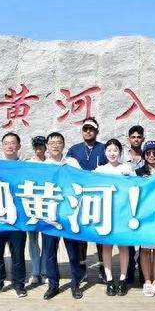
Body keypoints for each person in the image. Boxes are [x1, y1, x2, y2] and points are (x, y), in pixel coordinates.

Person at [40, 132, 84, 300]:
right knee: (50, 252)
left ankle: (76, 284)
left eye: (59, 142)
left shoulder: (72, 163)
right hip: (50, 215)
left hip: (68, 214)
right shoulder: (42, 166)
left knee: (73, 252)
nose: (55, 145)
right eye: (52, 142)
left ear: (64, 145)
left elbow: (84, 180)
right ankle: (53, 285)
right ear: (47, 146)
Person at [0, 132, 28, 298]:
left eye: (13, 143)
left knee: (18, 255)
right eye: (6, 143)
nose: (10, 146)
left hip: (18, 219)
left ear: (18, 146)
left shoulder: (25, 167)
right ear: (2, 146)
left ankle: (19, 285)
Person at [66, 117, 108, 282]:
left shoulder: (104, 148)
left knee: (100, 236)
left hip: (100, 198)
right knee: (81, 236)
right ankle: (82, 269)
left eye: (91, 129)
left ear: (97, 131)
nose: (88, 131)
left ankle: (103, 269)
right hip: (80, 199)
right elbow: (66, 172)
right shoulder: (74, 150)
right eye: (85, 129)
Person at [95, 139, 135, 296]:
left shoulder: (127, 168)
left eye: (115, 150)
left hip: (123, 212)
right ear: (105, 152)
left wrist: (129, 177)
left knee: (123, 246)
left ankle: (123, 279)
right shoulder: (100, 170)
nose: (112, 153)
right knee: (107, 247)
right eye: (109, 150)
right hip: (106, 212)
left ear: (120, 152)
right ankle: (110, 279)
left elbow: (136, 187)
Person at [135, 140, 155, 297]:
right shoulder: (138, 172)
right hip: (144, 214)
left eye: (154, 152)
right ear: (144, 155)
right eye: (148, 153)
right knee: (145, 249)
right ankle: (147, 281)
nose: (151, 155)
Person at [121, 126, 145, 284]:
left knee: (143, 239)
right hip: (126, 203)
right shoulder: (122, 158)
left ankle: (143, 273)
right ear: (129, 139)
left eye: (138, 137)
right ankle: (129, 273)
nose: (136, 139)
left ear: (142, 138)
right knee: (128, 239)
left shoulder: (149, 155)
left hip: (143, 203)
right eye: (133, 137)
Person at [25, 135, 47, 286]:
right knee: (32, 239)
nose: (39, 148)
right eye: (36, 146)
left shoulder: (50, 163)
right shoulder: (27, 164)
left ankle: (44, 271)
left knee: (47, 240)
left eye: (41, 145)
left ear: (45, 147)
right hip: (31, 205)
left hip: (47, 205)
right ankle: (35, 271)